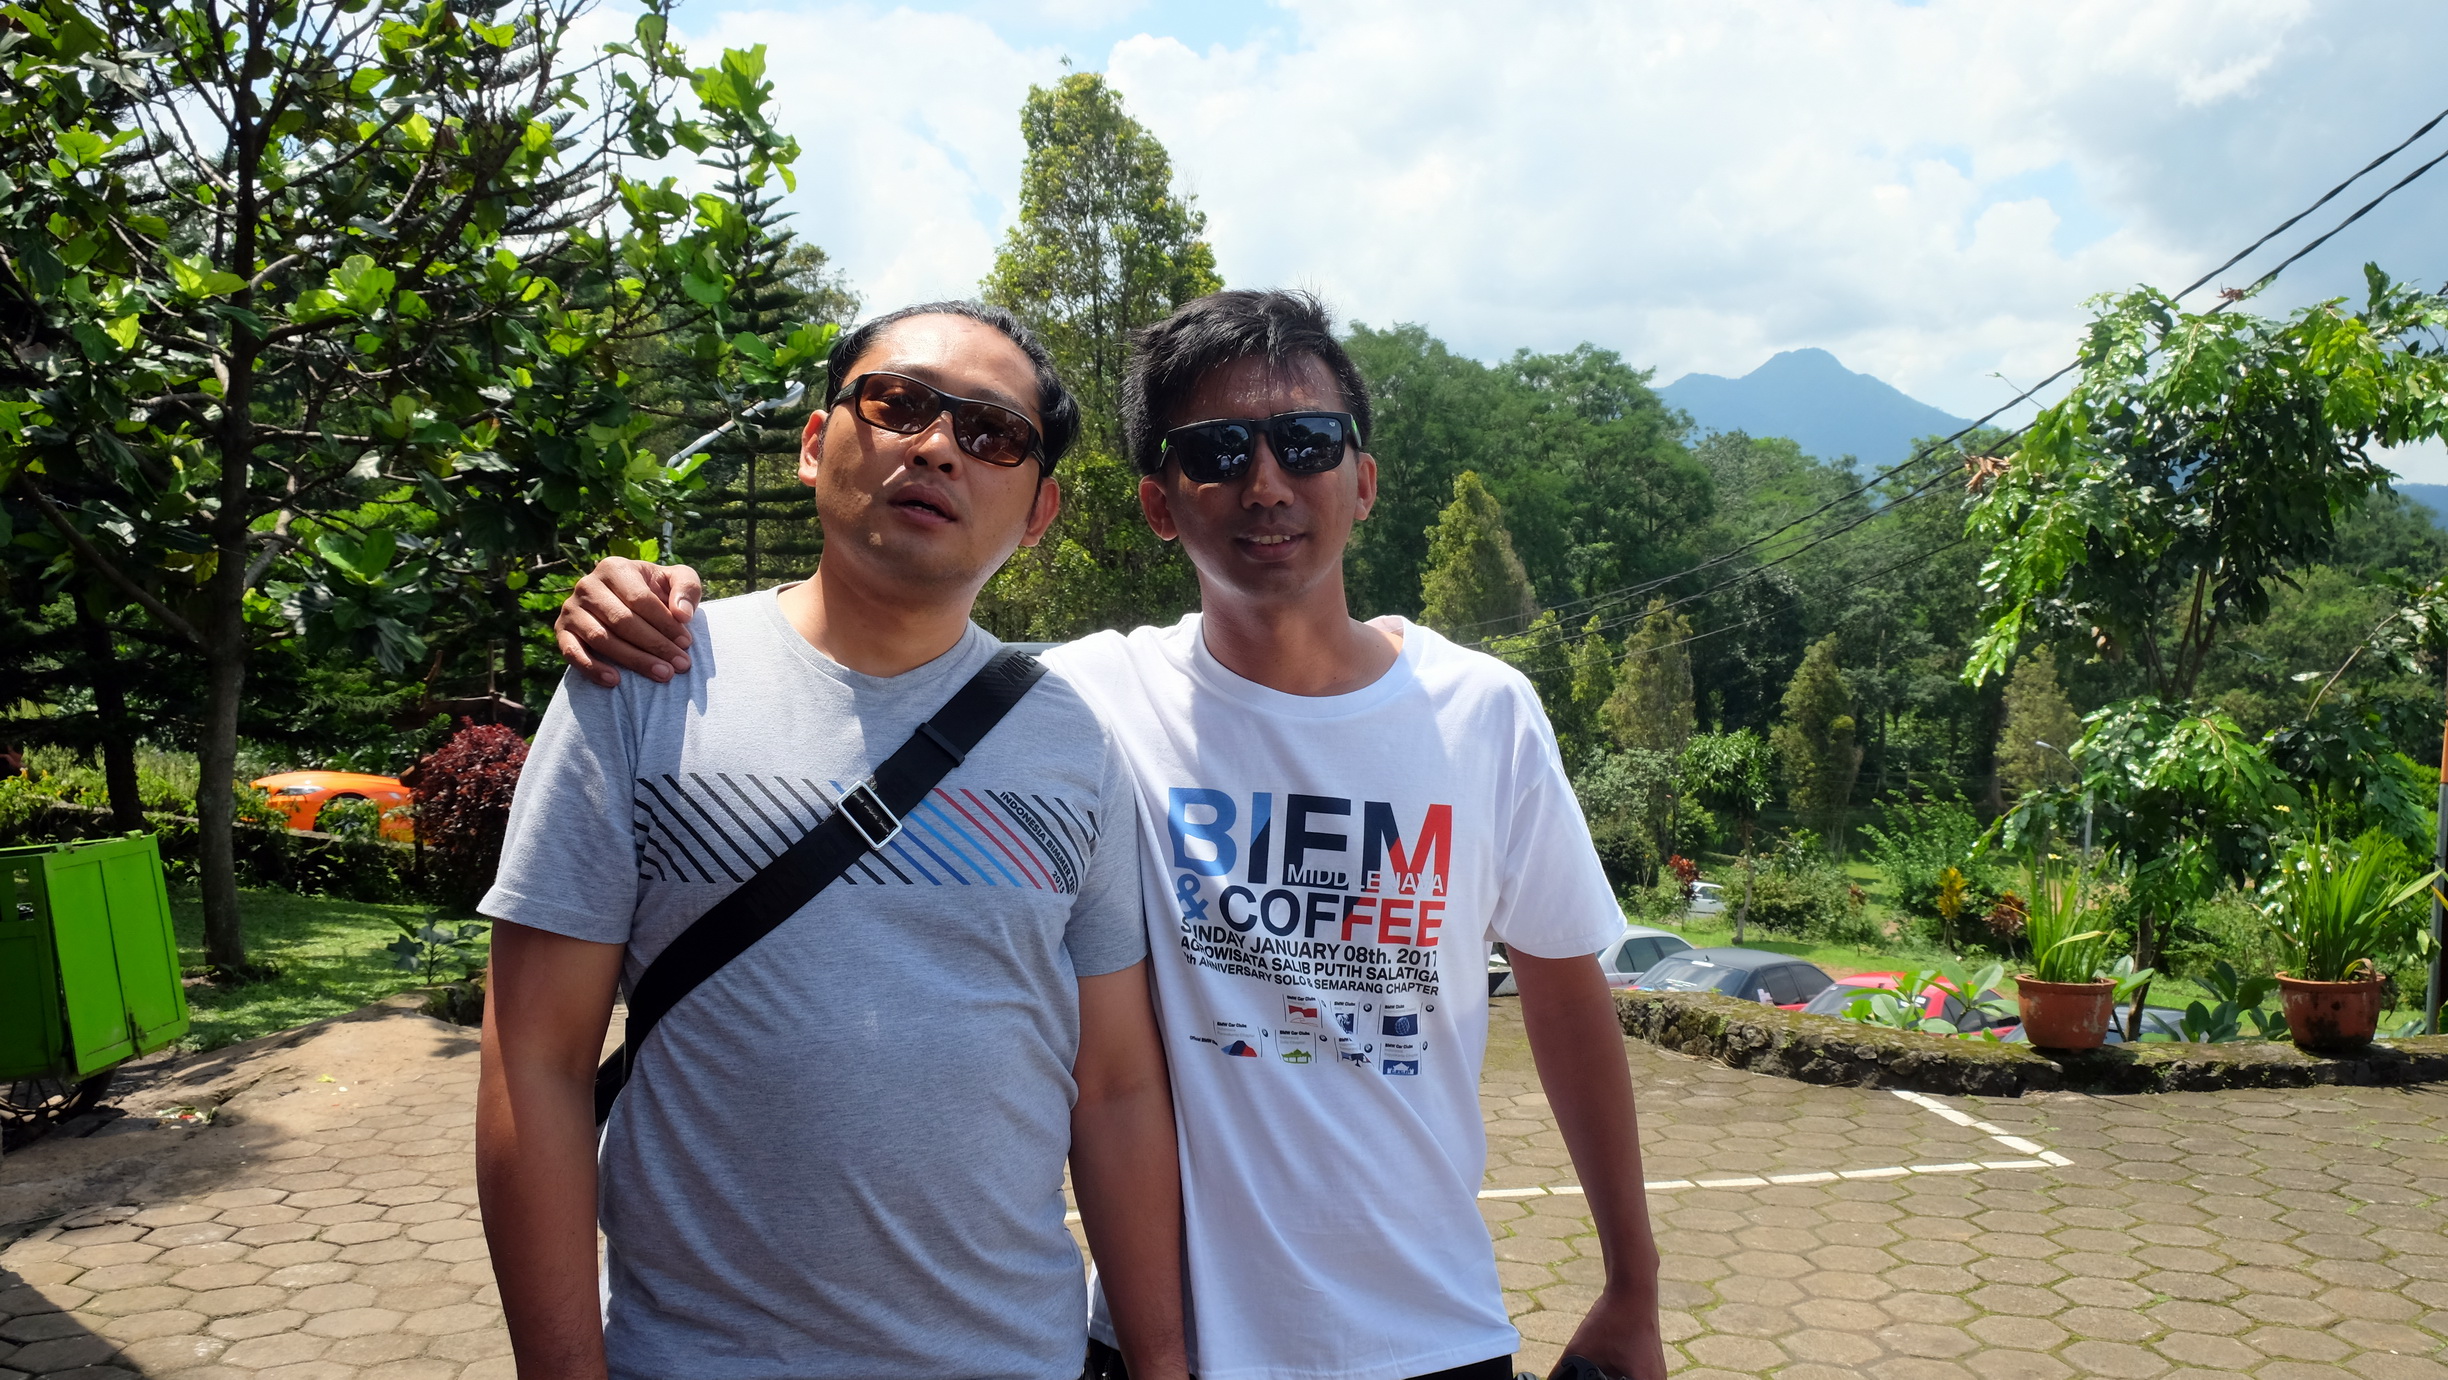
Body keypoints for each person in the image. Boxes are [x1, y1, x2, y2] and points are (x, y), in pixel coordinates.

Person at [557, 290, 1669, 1380]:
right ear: (1158, 503)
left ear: (1364, 480)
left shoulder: (1480, 712)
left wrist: (1633, 1285)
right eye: (1217, 452)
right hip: (1155, 1339)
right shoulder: (1082, 705)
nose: (1266, 482)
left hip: (1436, 1334)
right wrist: (651, 605)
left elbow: (1568, 1003)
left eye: (1306, 441)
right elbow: (883, 659)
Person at [477, 301, 1189, 1380]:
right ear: (816, 444)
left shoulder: (1073, 743)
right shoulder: (649, 682)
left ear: (1039, 511)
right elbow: (535, 1060)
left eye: (992, 434)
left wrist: (1162, 1366)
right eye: (898, 404)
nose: (937, 447)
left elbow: (1119, 1089)